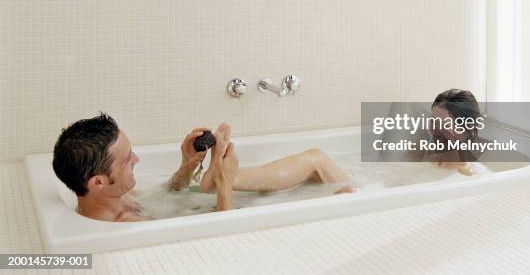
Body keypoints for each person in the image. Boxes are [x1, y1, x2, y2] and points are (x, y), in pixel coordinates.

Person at [52, 113, 352, 222]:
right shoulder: (127, 227)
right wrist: (224, 183)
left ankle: (353, 195)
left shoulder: (113, 199)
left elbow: (169, 194)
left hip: (198, 203)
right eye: (127, 159)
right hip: (219, 210)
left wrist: (187, 166)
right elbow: (222, 244)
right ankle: (354, 197)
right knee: (325, 168)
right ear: (98, 182)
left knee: (316, 158)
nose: (137, 160)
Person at [426, 88, 484, 176]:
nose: (435, 129)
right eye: (433, 121)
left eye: (445, 124)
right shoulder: (427, 162)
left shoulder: (471, 176)